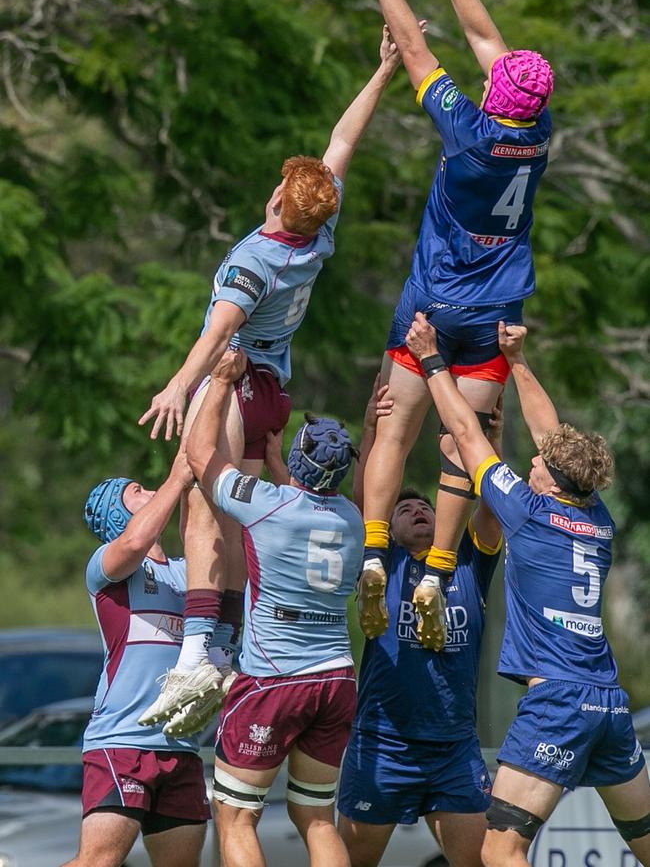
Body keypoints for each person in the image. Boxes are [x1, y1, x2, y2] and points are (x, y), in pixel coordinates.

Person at [138, 28, 406, 725]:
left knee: (204, 506)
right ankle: (224, 647)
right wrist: (381, 72)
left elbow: (218, 331)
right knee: (237, 521)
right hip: (272, 396)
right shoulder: (317, 230)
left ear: (280, 200)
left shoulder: (256, 258)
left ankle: (197, 653)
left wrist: (178, 385)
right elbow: (340, 144)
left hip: (234, 379)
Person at [336, 0, 554, 649]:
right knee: (464, 447)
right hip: (495, 315)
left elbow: (413, 44)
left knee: (392, 429)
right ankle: (434, 573)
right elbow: (489, 41)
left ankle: (373, 553)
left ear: (497, 97)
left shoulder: (469, 132)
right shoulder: (536, 133)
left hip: (430, 307)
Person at [404, 311, 650, 866]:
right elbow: (552, 434)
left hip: (558, 704)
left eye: (539, 463)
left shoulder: (530, 513)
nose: (532, 459)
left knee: (501, 852)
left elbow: (466, 433)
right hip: (609, 704)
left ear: (549, 483)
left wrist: (429, 357)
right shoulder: (597, 516)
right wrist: (516, 361)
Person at [185, 349, 364, 867]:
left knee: (236, 816)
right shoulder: (350, 518)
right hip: (334, 679)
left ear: (301, 462)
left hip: (273, 678)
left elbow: (201, 454)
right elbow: (302, 497)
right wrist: (280, 458)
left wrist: (220, 382)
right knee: (315, 819)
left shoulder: (266, 504)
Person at [337, 386, 503, 867]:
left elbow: (489, 504)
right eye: (404, 509)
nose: (419, 509)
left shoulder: (468, 563)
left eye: (426, 506)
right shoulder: (380, 565)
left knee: (479, 860)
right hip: (383, 743)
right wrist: (370, 430)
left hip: (454, 747)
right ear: (386, 529)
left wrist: (487, 435)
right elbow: (367, 497)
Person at [65, 451, 212, 867]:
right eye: (137, 491)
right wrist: (177, 477)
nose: (151, 491)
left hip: (181, 745)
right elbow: (134, 541)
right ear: (117, 514)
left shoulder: (189, 573)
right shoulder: (108, 566)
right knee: (98, 862)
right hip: (121, 742)